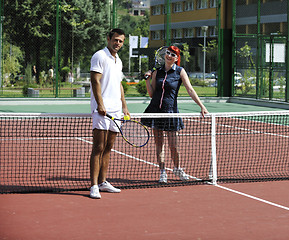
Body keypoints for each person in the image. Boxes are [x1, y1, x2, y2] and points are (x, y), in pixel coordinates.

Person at [142, 46, 209, 183]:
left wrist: (201, 106)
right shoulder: (157, 72)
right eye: (168, 53)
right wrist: (147, 80)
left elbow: (190, 89)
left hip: (171, 112)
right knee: (159, 144)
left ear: (176, 58)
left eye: (173, 54)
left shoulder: (180, 71)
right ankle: (162, 172)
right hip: (156, 111)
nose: (169, 56)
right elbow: (151, 94)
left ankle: (177, 168)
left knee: (174, 146)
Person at [89, 29, 130, 199]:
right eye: (115, 40)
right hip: (102, 110)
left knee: (108, 147)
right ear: (108, 39)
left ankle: (103, 182)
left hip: (116, 110)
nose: (118, 44)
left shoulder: (118, 60)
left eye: (121, 41)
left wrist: (124, 106)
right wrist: (100, 104)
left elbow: (119, 84)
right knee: (98, 147)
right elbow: (94, 80)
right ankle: (93, 186)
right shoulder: (99, 56)